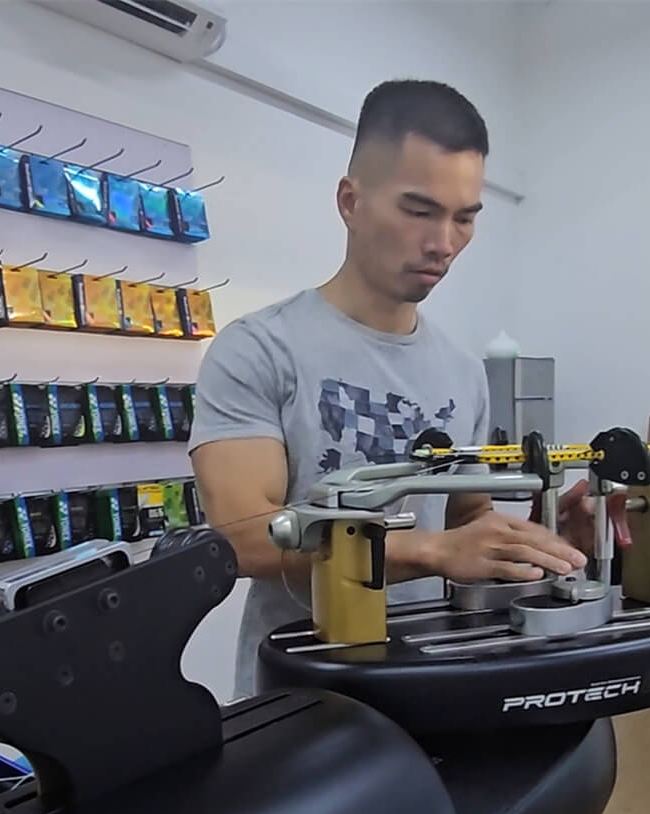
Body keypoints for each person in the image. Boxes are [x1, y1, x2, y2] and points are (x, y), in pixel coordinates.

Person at [190, 79, 619, 701]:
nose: (443, 243)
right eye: (419, 211)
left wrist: (542, 545)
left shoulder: (463, 371)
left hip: (434, 679)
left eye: (464, 218)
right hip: (302, 694)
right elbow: (244, 534)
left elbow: (467, 518)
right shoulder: (259, 349)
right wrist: (429, 551)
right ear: (350, 201)